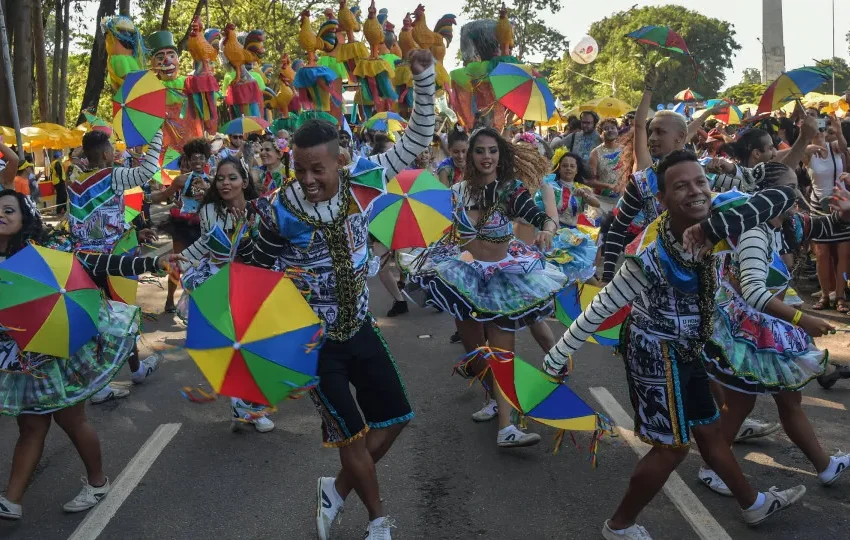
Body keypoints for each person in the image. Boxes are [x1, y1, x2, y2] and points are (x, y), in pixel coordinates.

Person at [543, 151, 803, 540]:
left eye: (700, 182)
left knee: (711, 432)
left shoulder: (720, 219)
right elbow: (601, 308)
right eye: (681, 186)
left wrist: (727, 209)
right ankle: (619, 526)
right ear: (662, 200)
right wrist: (557, 356)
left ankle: (753, 504)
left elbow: (784, 193)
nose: (696, 192)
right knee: (672, 449)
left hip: (689, 347)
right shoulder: (650, 256)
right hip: (653, 354)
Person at [250, 49, 436, 540]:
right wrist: (275, 337)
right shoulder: (279, 210)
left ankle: (333, 491)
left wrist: (423, 78)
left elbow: (418, 135)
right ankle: (378, 522)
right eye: (299, 169)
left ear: (340, 160)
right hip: (315, 346)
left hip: (362, 330)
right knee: (352, 435)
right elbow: (250, 272)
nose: (307, 180)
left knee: (395, 419)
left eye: (317, 169)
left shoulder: (365, 180)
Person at [0, 189, 183, 520]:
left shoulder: (42, 253)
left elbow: (97, 262)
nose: (1, 214)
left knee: (70, 420)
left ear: (24, 218)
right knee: (30, 426)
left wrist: (152, 260)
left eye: (8, 210)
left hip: (56, 352)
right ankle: (11, 500)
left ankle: (97, 483)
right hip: (19, 361)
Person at [698, 162, 850, 496]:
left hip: (770, 330)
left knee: (789, 399)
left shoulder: (782, 224)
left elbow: (825, 227)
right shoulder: (753, 231)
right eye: (789, 190)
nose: (796, 197)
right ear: (767, 197)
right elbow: (753, 291)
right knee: (740, 406)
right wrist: (803, 319)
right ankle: (712, 470)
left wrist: (845, 214)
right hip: (749, 335)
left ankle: (824, 466)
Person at [408, 127, 562, 447]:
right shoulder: (457, 192)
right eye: (480, 151)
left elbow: (536, 215)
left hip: (503, 278)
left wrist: (548, 227)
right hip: (464, 276)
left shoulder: (510, 190)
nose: (487, 157)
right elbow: (437, 227)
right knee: (475, 353)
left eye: (493, 151)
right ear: (470, 155)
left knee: (502, 353)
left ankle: (507, 427)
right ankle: (493, 396)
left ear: (500, 154)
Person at [177, 157, 273, 432]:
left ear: (244, 181)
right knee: (238, 345)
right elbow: (206, 246)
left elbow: (269, 244)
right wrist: (177, 260)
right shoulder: (209, 211)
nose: (225, 183)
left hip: (256, 281)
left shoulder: (260, 208)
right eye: (220, 178)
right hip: (222, 284)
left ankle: (249, 403)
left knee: (259, 345)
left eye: (232, 178)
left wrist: (249, 228)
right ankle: (245, 405)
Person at [68, 129, 164, 403]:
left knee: (117, 314)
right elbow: (147, 170)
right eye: (112, 148)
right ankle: (100, 386)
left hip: (82, 259)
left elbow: (98, 218)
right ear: (107, 153)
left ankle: (136, 370)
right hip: (108, 263)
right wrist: (155, 133)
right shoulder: (112, 175)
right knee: (115, 317)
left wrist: (134, 233)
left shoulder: (74, 178)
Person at [151, 138, 211, 313]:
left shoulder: (214, 180)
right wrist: (143, 197)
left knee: (205, 263)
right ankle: (170, 300)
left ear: (206, 160)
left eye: (201, 158)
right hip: (183, 225)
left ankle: (199, 302)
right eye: (194, 158)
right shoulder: (181, 180)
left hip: (204, 225)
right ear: (189, 161)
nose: (198, 161)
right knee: (177, 262)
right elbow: (163, 196)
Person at [806, 114, 850, 313]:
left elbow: (842, 144)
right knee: (822, 254)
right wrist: (805, 142)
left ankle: (840, 296)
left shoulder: (835, 148)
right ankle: (825, 294)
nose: (820, 132)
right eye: (816, 128)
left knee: (844, 254)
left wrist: (839, 130)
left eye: (822, 128)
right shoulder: (808, 153)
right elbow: (796, 156)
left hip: (841, 204)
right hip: (818, 208)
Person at [588, 118, 623, 202]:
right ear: (600, 134)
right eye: (606, 129)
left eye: (613, 128)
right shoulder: (595, 153)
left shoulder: (625, 150)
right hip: (601, 200)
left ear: (617, 130)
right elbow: (590, 181)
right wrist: (608, 186)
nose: (610, 130)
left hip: (623, 199)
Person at [50, 151, 68, 215]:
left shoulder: (53, 163)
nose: (61, 157)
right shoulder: (57, 163)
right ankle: (61, 210)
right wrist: (62, 181)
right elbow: (58, 172)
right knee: (62, 197)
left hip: (56, 182)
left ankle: (61, 210)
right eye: (61, 156)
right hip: (59, 182)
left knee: (60, 196)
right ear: (59, 156)